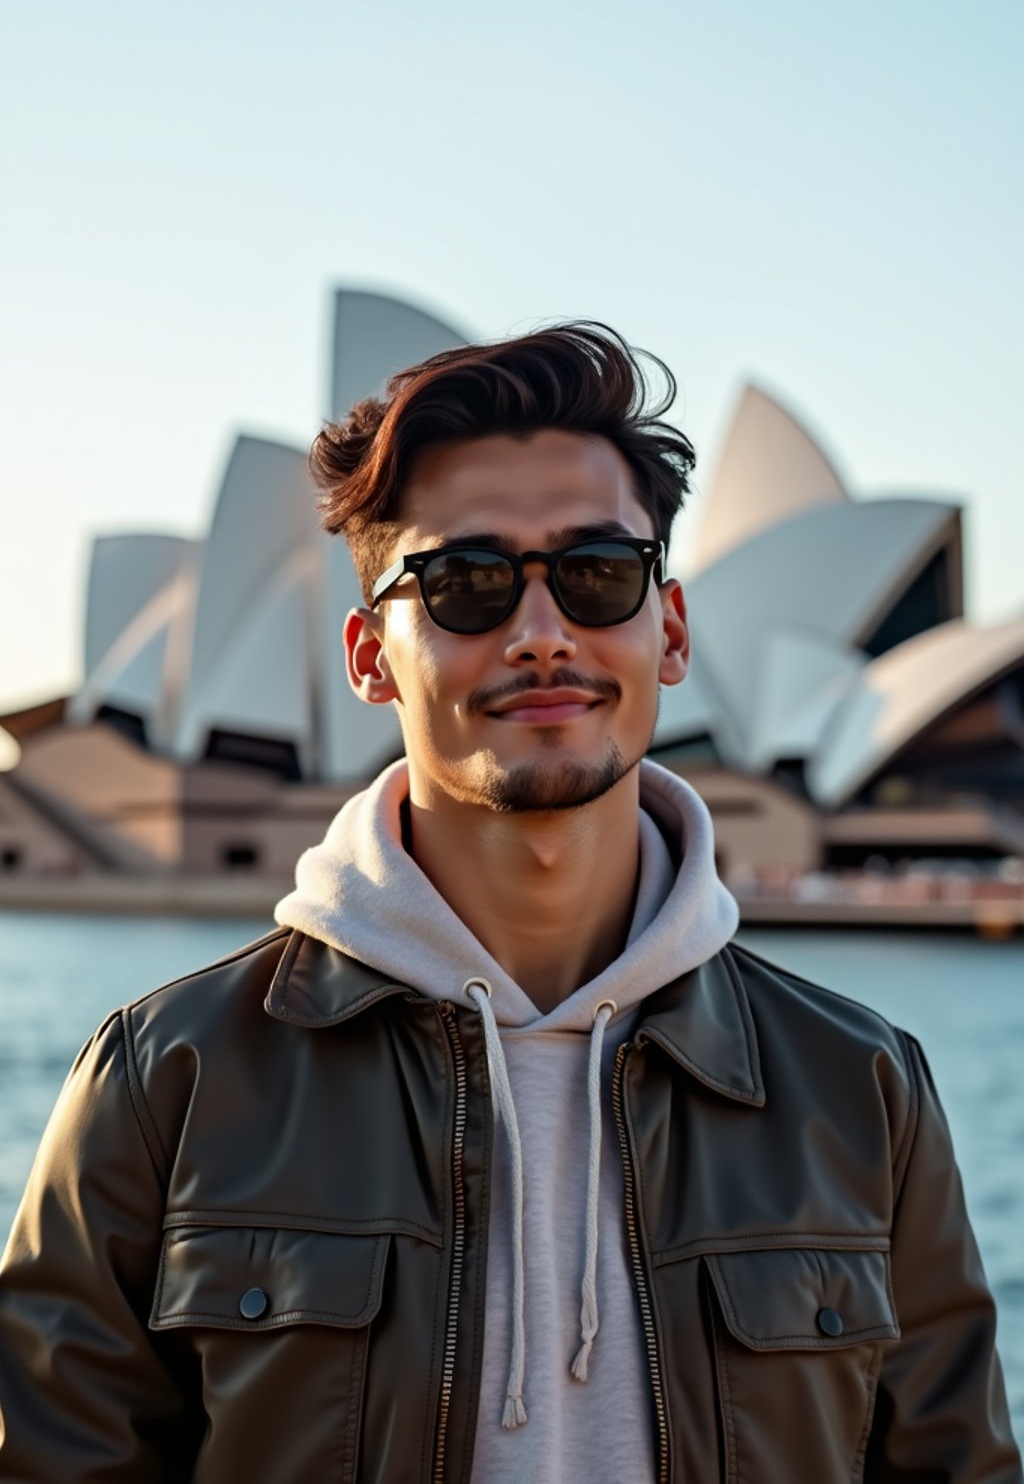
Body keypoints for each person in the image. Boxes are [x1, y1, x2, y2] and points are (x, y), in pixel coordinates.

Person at [0, 324, 1019, 1483]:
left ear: (669, 627)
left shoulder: (862, 1089)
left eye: (596, 575)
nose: (541, 636)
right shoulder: (163, 1082)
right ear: (370, 656)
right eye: (465, 585)